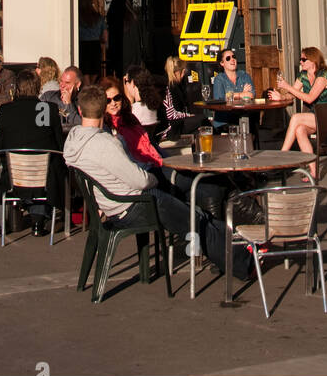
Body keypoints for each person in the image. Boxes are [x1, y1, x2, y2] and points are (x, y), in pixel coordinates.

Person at [63, 85, 250, 278]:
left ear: (79, 110)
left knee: (196, 210)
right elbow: (140, 181)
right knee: (194, 220)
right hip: (133, 204)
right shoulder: (105, 144)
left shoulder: (73, 140)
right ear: (104, 110)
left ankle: (241, 247)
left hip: (112, 203)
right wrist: (153, 178)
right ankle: (244, 262)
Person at [0, 69, 65, 235]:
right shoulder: (48, 108)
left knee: (31, 161)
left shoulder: (6, 110)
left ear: (17, 88)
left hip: (14, 176)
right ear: (38, 88)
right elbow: (58, 145)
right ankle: (39, 219)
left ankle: (20, 214)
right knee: (48, 161)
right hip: (44, 177)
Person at [270, 46, 327, 169]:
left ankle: (282, 155)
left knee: (296, 118)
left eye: (303, 59)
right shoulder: (303, 75)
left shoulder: (322, 76)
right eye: (300, 59)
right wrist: (281, 97)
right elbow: (292, 94)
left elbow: (309, 98)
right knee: (300, 130)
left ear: (313, 61)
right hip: (317, 116)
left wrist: (287, 86)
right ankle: (314, 171)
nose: (300, 62)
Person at [101, 76, 163, 168]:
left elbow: (148, 142)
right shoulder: (105, 126)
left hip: (154, 162)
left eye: (117, 98)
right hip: (138, 169)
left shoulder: (130, 117)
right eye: (108, 100)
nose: (113, 103)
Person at [162, 57, 199, 139]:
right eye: (183, 72)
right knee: (203, 120)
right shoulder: (171, 88)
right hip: (172, 127)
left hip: (176, 122)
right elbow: (171, 114)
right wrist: (188, 115)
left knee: (199, 129)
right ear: (178, 72)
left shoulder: (169, 85)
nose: (183, 76)